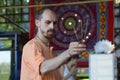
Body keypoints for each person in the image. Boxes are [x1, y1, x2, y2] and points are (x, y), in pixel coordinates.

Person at [20, 7, 86, 80]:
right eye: (48, 22)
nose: (52, 27)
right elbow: (42, 68)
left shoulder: (51, 52)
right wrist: (69, 52)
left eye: (54, 23)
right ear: (37, 23)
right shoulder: (31, 46)